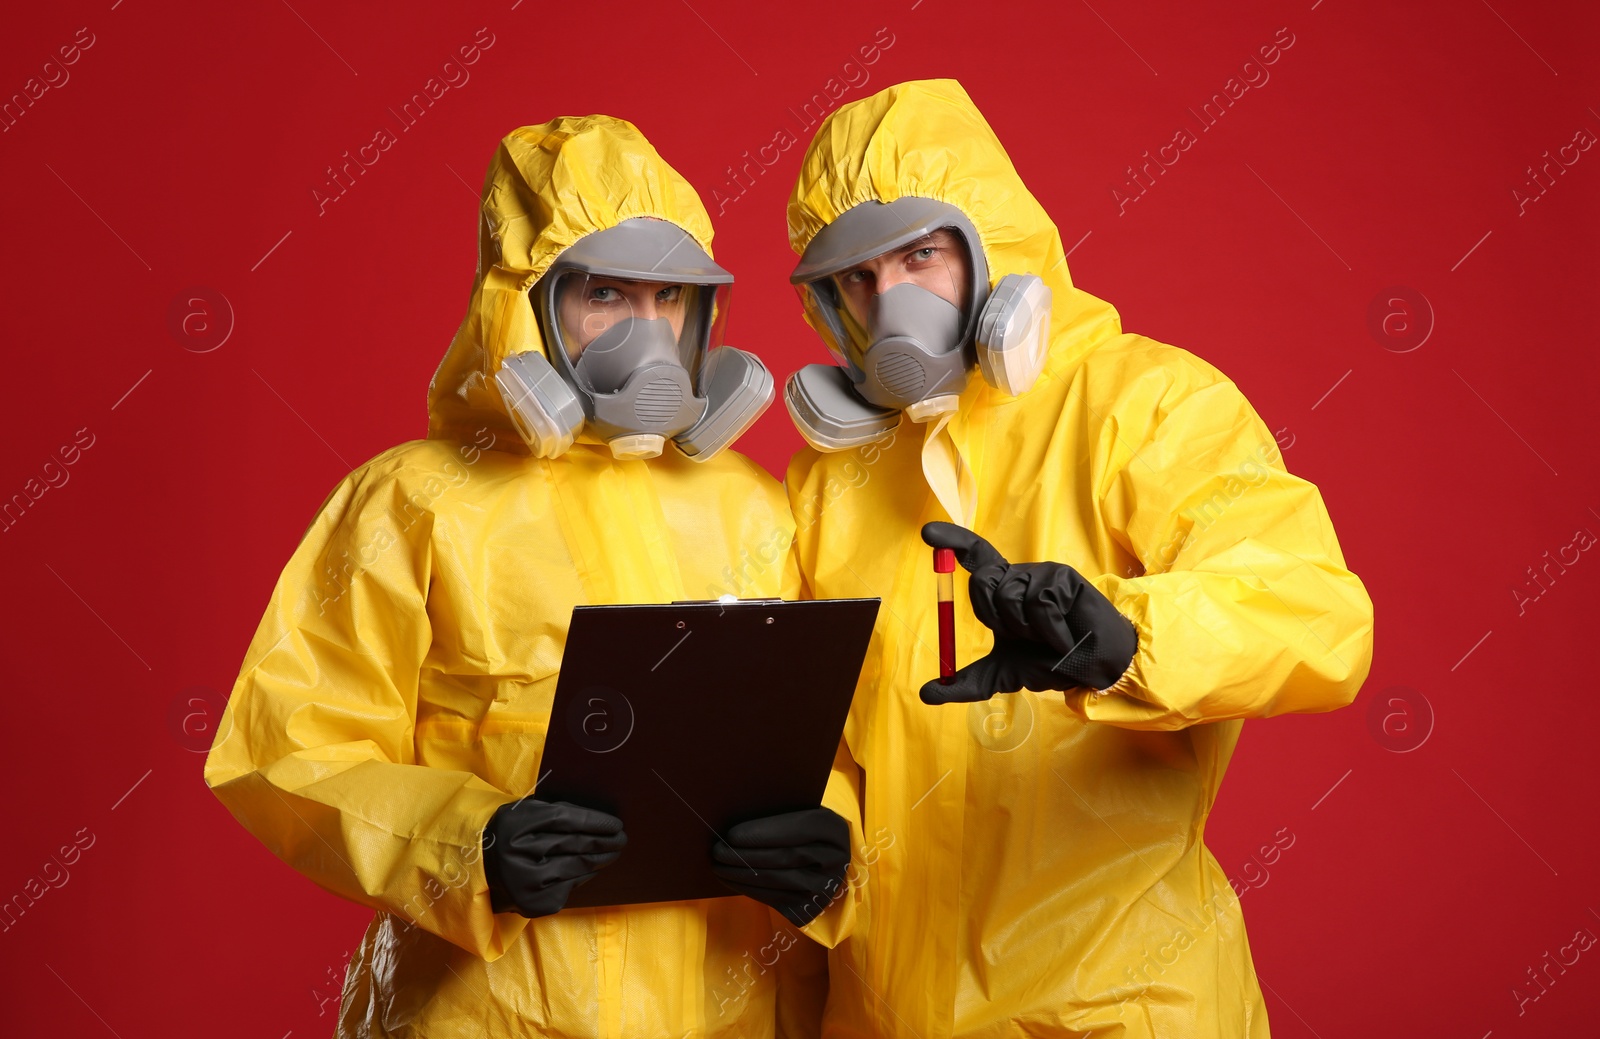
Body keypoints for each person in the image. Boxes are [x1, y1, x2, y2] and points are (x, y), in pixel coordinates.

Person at [204, 115, 846, 1038]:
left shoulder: (757, 506)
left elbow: (836, 734)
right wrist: (468, 847)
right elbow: (285, 750)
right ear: (526, 304)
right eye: (606, 295)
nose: (648, 332)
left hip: (731, 1007)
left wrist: (835, 851)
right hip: (494, 1013)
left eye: (671, 297)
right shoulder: (414, 501)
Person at [780, 80, 1375, 1037]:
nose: (891, 303)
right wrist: (817, 847)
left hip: (1116, 1005)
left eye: (920, 256)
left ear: (992, 250)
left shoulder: (1145, 406)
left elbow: (1319, 616)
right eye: (858, 278)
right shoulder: (826, 490)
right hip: (889, 1011)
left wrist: (1127, 640)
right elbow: (824, 747)